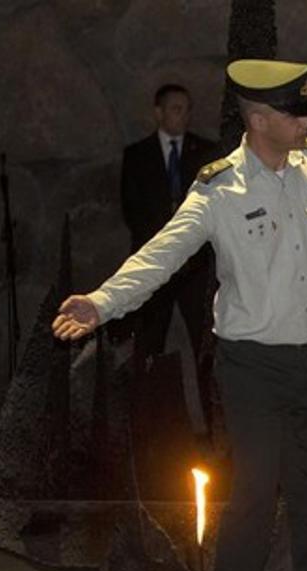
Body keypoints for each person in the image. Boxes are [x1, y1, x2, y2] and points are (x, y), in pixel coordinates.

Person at [53, 59, 307, 571]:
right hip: (251, 364)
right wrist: (102, 302)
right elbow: (162, 253)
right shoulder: (219, 187)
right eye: (294, 111)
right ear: (258, 120)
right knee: (253, 496)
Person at [119, 84, 219, 371]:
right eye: (176, 109)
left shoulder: (205, 152)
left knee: (204, 344)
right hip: (155, 262)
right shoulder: (138, 155)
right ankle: (150, 410)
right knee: (149, 343)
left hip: (195, 266)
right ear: (158, 112)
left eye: (187, 110)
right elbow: (133, 210)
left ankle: (211, 411)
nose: (183, 116)